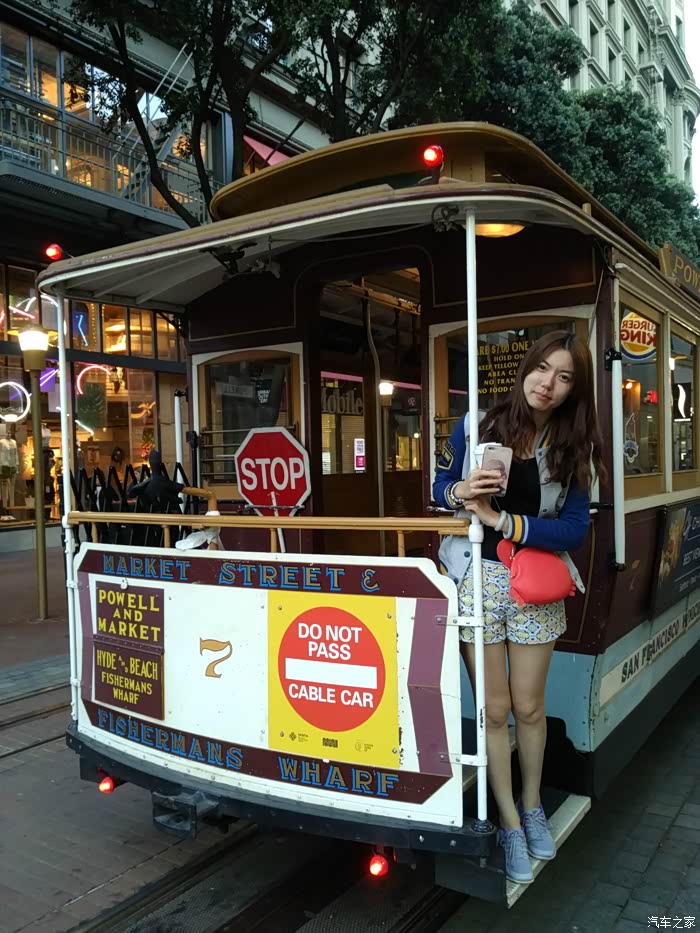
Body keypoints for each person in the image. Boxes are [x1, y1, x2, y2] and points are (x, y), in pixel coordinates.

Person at [432, 330, 604, 884]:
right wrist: (461, 493)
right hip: (476, 581)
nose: (547, 383)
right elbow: (438, 485)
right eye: (542, 368)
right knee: (495, 709)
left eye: (564, 376)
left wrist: (502, 520)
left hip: (534, 584)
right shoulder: (476, 425)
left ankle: (532, 806)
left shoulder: (573, 445)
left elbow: (575, 528)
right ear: (526, 367)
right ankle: (507, 821)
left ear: (574, 389)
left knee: (529, 708)